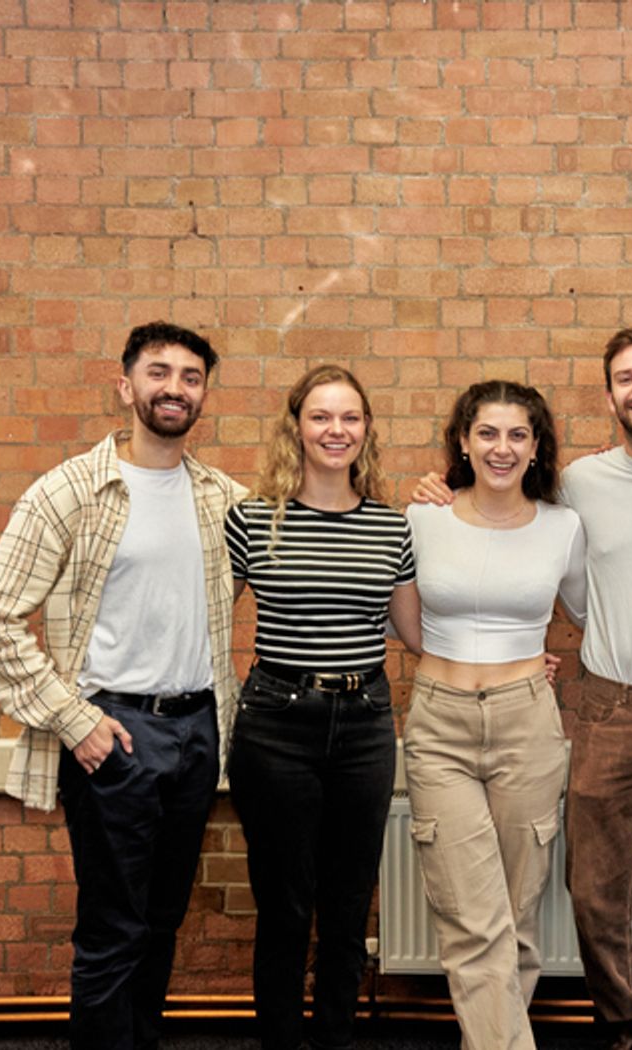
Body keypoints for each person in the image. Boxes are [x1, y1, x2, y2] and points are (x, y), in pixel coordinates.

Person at [414, 327, 632, 1050]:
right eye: (626, 378)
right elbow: (547, 575)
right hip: (609, 702)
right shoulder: (577, 487)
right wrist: (439, 486)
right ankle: (620, 1020)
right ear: (609, 395)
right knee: (597, 888)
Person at [0, 322, 242, 1050]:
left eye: (190, 376)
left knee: (161, 921)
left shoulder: (219, 498)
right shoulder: (69, 492)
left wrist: (438, 497)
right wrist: (71, 718)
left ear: (204, 394)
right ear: (126, 387)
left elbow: (306, 534)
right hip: (111, 732)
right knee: (114, 926)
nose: (174, 387)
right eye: (158, 372)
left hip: (197, 731)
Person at [225, 365, 420, 1050]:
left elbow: (421, 635)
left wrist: (515, 655)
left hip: (365, 724)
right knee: (284, 906)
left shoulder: (391, 529)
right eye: (321, 417)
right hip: (276, 724)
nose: (336, 430)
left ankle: (335, 1038)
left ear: (366, 430)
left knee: (346, 908)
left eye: (350, 418)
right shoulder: (251, 519)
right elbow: (200, 617)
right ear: (297, 428)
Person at [402, 380, 586, 1050]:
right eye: (487, 433)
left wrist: (523, 665)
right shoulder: (423, 517)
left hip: (527, 724)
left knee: (516, 917)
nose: (501, 448)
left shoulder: (564, 527)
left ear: (536, 447)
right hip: (439, 724)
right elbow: (404, 623)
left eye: (517, 435)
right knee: (474, 920)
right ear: (463, 439)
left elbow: (595, 616)